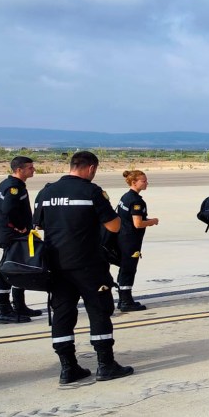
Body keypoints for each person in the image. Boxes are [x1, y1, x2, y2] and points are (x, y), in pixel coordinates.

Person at [33, 151, 132, 383]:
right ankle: (106, 364)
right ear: (90, 168)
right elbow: (114, 226)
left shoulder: (46, 192)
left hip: (56, 264)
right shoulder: (91, 192)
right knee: (98, 311)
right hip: (88, 263)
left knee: (63, 314)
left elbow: (37, 223)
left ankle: (68, 368)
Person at [0, 156, 42, 323]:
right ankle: (5, 310)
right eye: (30, 167)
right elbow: (6, 211)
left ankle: (19, 305)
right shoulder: (14, 188)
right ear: (19, 170)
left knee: (20, 268)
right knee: (8, 271)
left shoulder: (7, 184)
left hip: (11, 234)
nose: (33, 170)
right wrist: (17, 227)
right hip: (12, 236)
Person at [114, 170, 160, 312]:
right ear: (134, 182)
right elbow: (138, 223)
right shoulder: (136, 201)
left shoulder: (125, 197)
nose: (146, 183)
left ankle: (123, 299)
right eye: (143, 181)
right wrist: (152, 221)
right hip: (130, 240)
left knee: (124, 269)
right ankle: (126, 301)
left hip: (122, 238)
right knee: (129, 269)